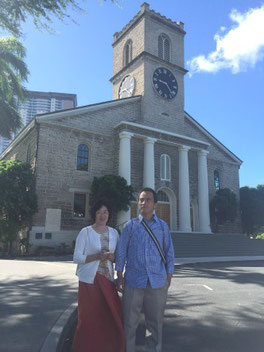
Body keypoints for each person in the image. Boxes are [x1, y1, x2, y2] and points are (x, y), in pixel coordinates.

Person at [115, 187, 175, 352]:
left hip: (157, 281)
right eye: (141, 199)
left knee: (155, 323)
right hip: (134, 281)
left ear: (155, 204)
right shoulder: (130, 226)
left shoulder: (162, 227)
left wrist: (169, 275)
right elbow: (121, 252)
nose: (143, 202)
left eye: (148, 199)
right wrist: (119, 275)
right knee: (129, 322)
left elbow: (169, 252)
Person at [73, 199, 125, 352]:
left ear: (109, 214)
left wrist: (112, 257)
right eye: (99, 212)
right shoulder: (86, 232)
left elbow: (118, 257)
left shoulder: (114, 232)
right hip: (89, 280)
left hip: (107, 279)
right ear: (94, 214)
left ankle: (109, 347)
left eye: (105, 212)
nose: (102, 215)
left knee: (110, 314)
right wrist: (96, 257)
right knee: (89, 317)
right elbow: (77, 257)